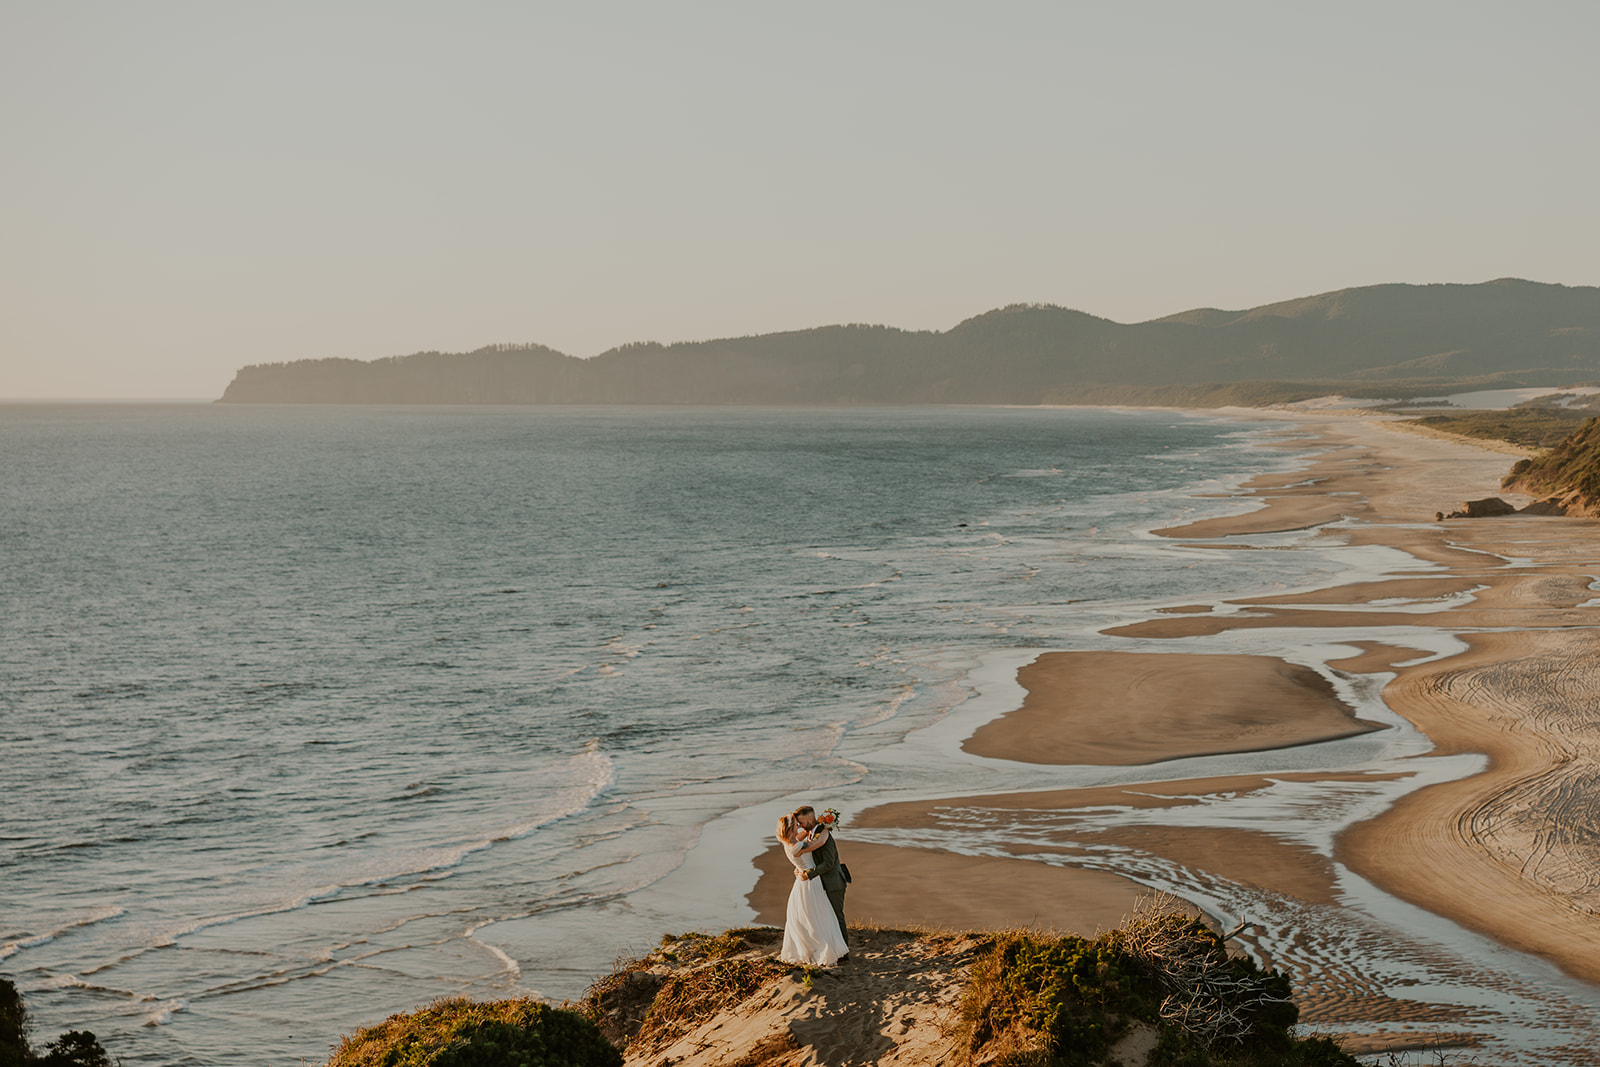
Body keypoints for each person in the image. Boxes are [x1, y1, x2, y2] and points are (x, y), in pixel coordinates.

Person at [776, 812, 848, 967]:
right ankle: (824, 949)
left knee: (814, 917)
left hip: (804, 882)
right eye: (796, 824)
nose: (799, 826)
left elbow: (807, 833)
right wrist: (827, 828)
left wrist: (819, 824)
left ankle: (824, 948)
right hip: (810, 882)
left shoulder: (789, 842)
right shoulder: (798, 846)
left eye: (800, 823)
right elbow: (820, 841)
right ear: (791, 828)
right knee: (818, 917)